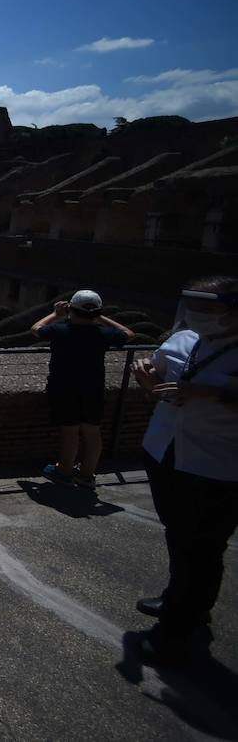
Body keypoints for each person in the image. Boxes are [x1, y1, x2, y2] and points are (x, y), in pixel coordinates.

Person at [129, 276, 238, 665]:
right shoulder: (181, 342)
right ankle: (179, 597)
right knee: (179, 535)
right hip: (165, 452)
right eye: (194, 306)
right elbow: (156, 389)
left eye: (209, 307)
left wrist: (210, 393)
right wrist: (147, 380)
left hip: (218, 463)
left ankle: (183, 620)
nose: (198, 315)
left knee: (205, 545)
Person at [31, 289, 134, 489]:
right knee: (92, 431)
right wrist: (100, 317)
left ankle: (64, 471)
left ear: (71, 309)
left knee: (70, 431)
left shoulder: (61, 330)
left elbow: (36, 328)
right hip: (93, 388)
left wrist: (56, 314)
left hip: (64, 388)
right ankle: (87, 475)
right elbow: (129, 334)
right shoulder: (102, 334)